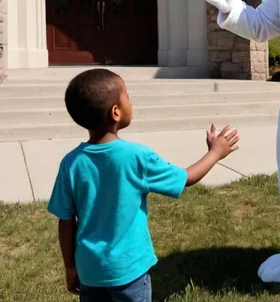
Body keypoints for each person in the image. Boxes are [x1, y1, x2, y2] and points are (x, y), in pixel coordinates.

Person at [47, 68, 239, 301]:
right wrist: (215, 153)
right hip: (130, 270)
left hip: (89, 271)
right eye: (127, 96)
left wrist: (70, 268)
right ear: (115, 112)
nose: (131, 100)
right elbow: (186, 178)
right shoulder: (137, 157)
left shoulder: (71, 163)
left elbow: (65, 222)